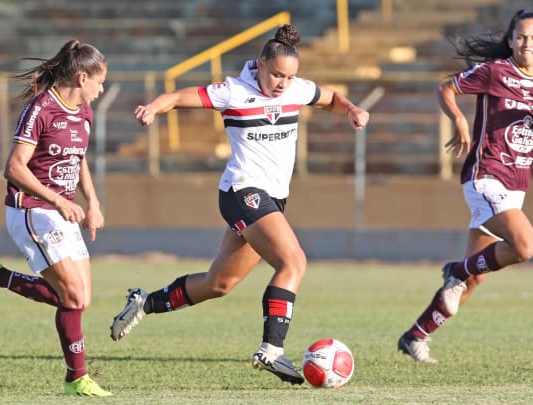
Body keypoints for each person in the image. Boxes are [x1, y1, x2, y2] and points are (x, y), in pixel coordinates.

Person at [109, 24, 369, 385]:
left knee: (219, 284)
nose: (282, 82)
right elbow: (183, 96)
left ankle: (145, 303)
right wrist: (155, 107)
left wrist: (353, 109)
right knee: (293, 261)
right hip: (243, 193)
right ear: (260, 64)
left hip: (271, 199)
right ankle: (271, 350)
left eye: (289, 75)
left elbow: (331, 98)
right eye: (276, 73)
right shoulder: (233, 90)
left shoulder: (297, 88)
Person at [398, 9, 533, 363]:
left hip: (517, 185)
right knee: (525, 245)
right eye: (520, 37)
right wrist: (459, 121)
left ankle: (415, 335)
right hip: (486, 175)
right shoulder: (495, 71)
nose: (527, 43)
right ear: (510, 40)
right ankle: (456, 269)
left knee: (476, 275)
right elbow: (446, 88)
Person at [0, 39, 112, 396]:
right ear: (81, 78)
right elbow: (14, 168)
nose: (102, 88)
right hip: (31, 209)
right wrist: (58, 201)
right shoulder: (41, 109)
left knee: (80, 298)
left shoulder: (85, 114)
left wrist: (92, 203)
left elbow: (78, 160)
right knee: (73, 296)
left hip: (61, 211)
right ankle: (77, 379)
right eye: (99, 81)